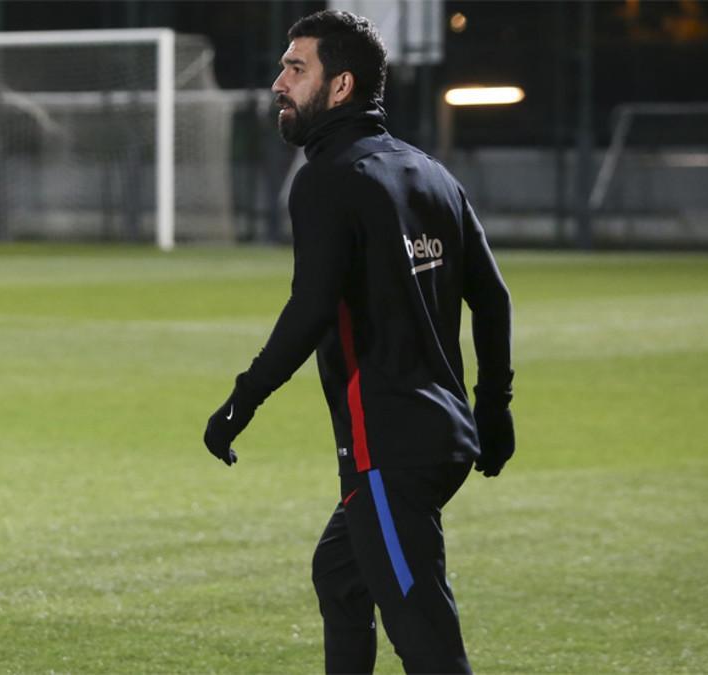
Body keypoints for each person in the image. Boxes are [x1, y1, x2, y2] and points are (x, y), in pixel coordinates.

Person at [203, 10, 515, 675]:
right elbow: (492, 298)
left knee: (428, 644)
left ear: (340, 86)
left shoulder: (328, 179)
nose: (278, 83)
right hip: (442, 436)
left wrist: (242, 400)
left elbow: (311, 308)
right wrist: (493, 409)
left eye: (296, 68)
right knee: (340, 573)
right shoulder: (429, 173)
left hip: (388, 449)